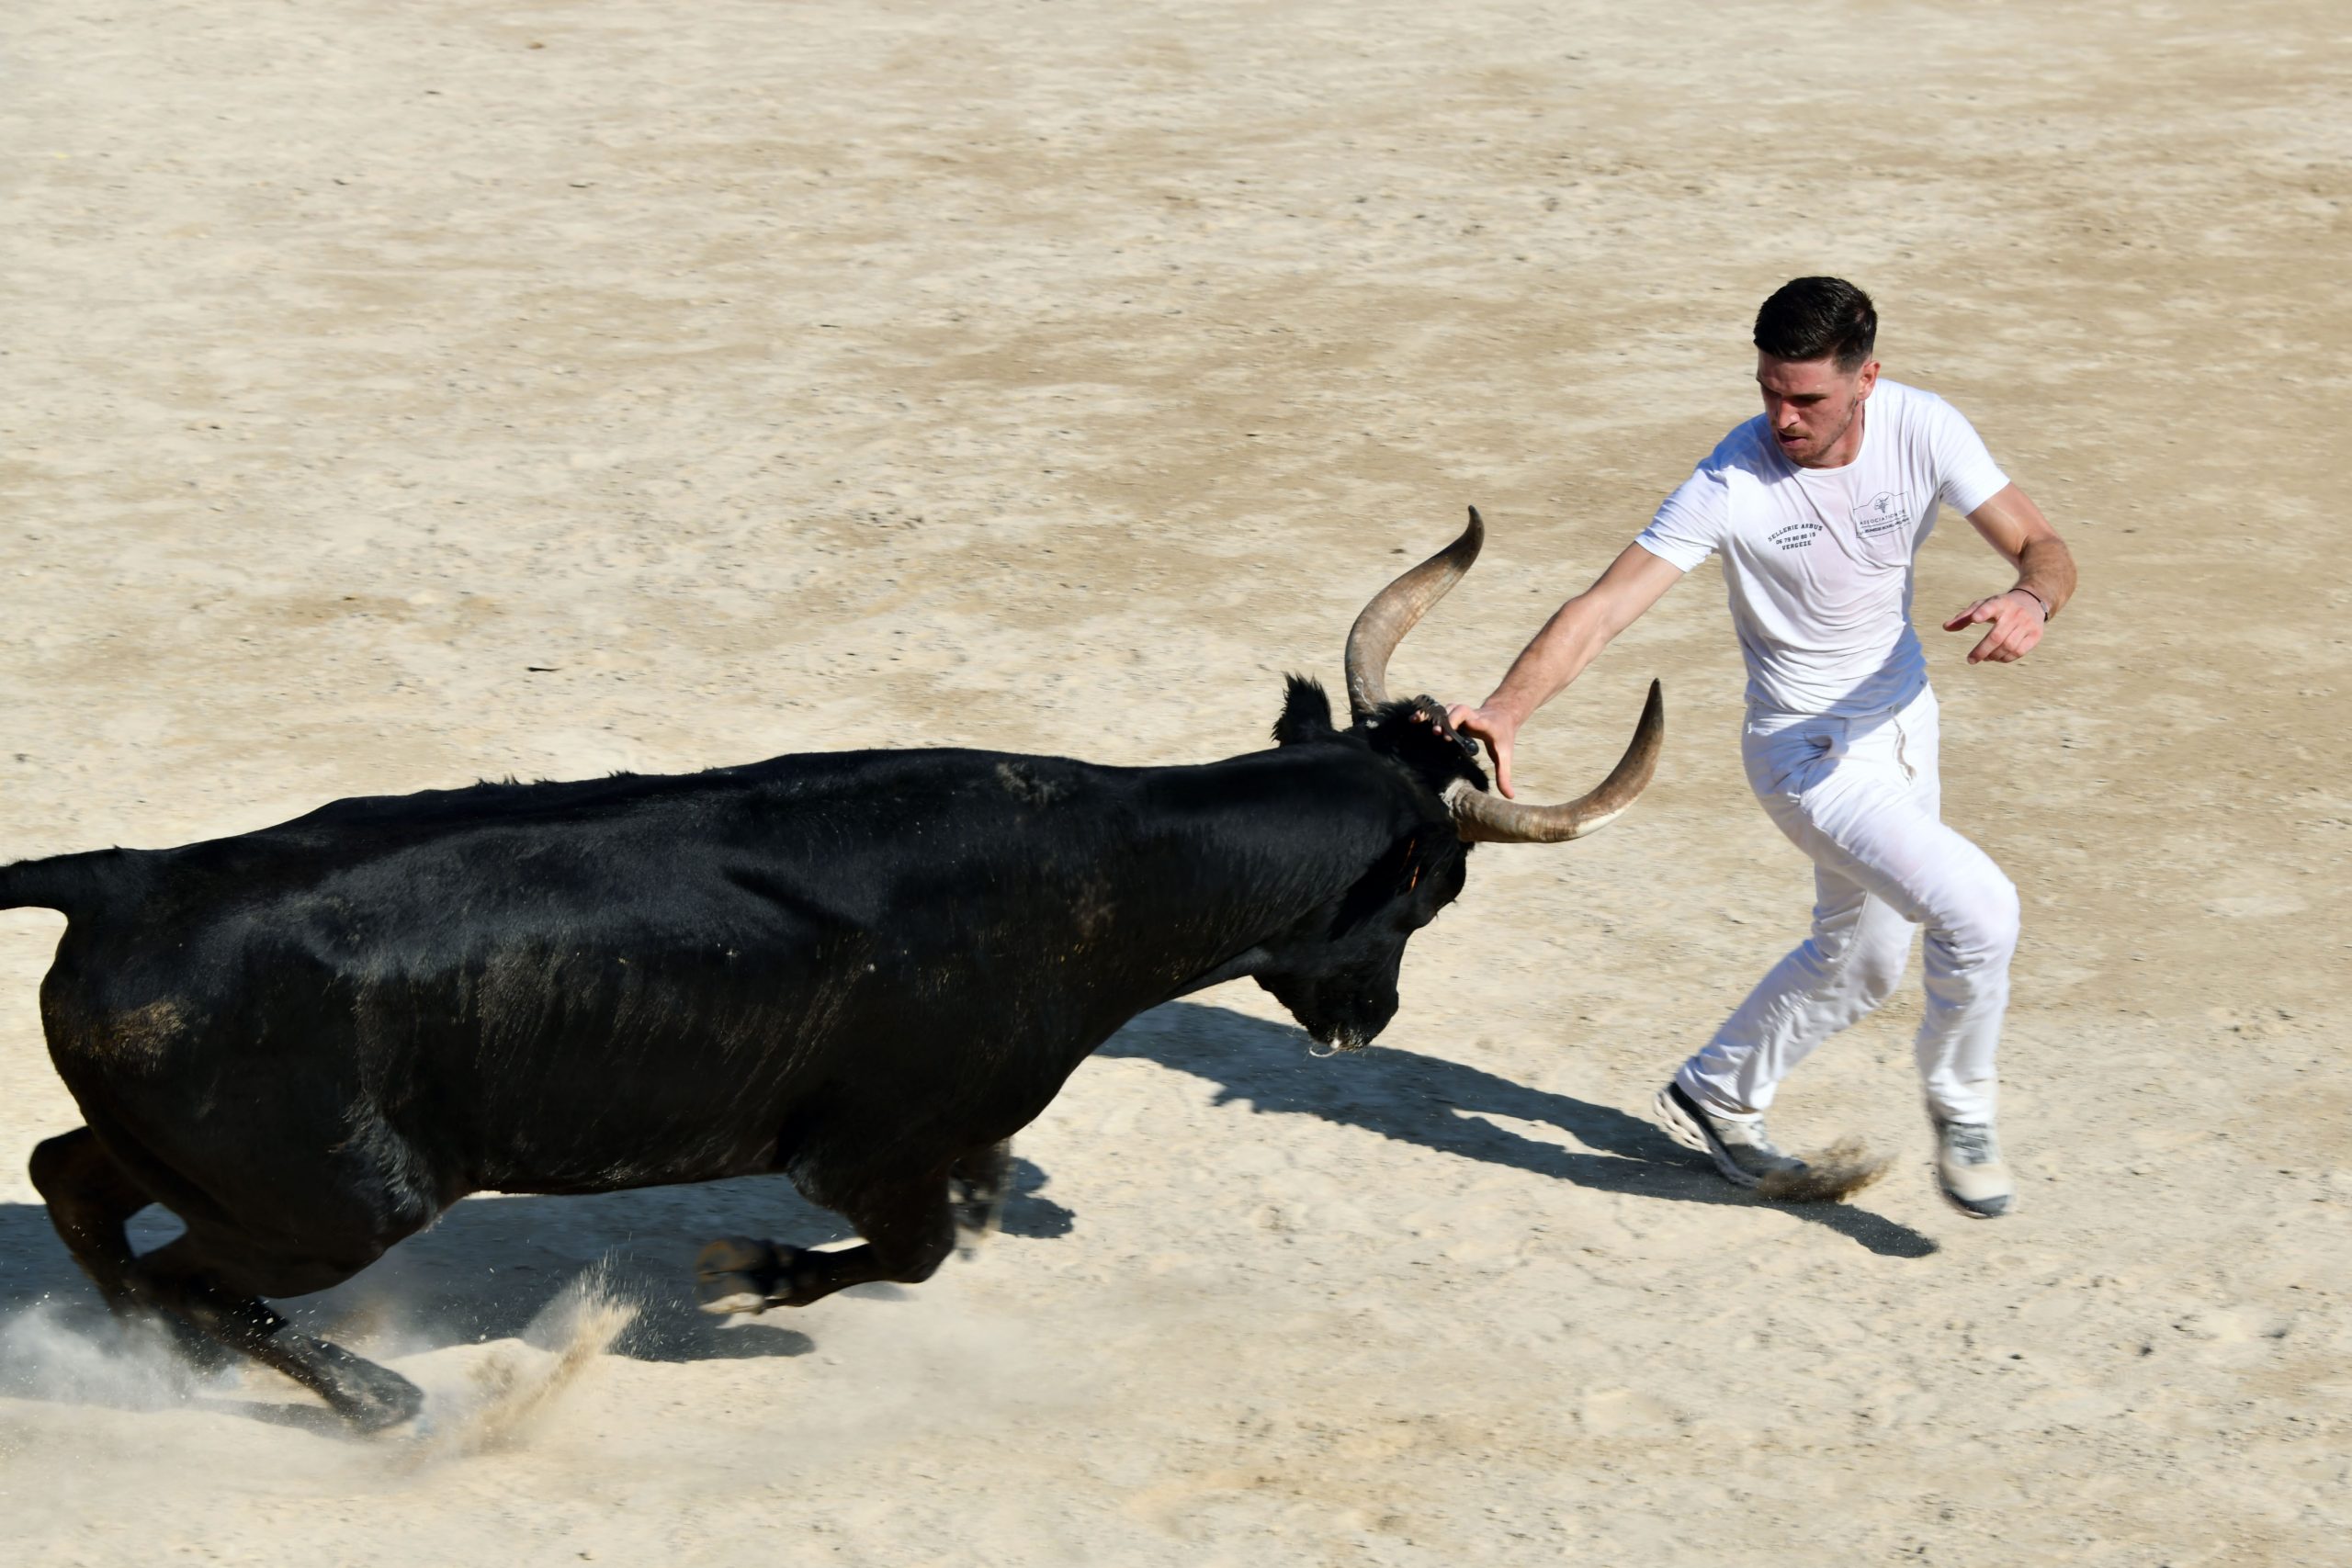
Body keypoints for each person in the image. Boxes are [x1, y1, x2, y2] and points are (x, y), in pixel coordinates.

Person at [1447, 276, 2075, 1218]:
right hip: (1806, 757)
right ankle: (1964, 1109)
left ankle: (1717, 1091)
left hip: (1906, 728)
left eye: (1806, 398)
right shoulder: (1730, 479)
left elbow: (2043, 546)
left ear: (1867, 379)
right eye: (1768, 391)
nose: (1782, 418)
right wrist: (1507, 706)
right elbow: (1603, 607)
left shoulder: (1925, 428)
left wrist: (2028, 600)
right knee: (1980, 912)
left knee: (1860, 962)